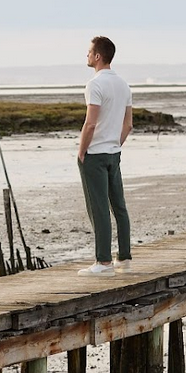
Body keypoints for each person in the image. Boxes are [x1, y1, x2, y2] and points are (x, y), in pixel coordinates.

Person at [76, 35, 134, 276]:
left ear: (98, 56)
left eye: (89, 52)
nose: (87, 55)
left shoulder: (95, 84)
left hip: (96, 154)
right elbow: (128, 124)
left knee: (98, 207)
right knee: (118, 206)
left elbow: (90, 124)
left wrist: (82, 151)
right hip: (113, 153)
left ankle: (103, 262)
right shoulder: (123, 84)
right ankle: (124, 257)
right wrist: (115, 144)